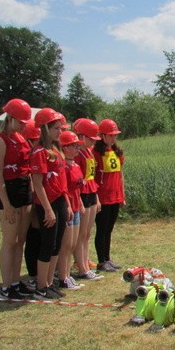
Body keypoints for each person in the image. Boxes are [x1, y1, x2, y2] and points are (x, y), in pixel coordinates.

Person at [0, 98, 34, 299]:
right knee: (9, 240)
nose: (25, 125)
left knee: (20, 241)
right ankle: (6, 286)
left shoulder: (21, 138)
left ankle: (16, 282)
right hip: (10, 191)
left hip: (24, 190)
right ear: (11, 118)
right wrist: (6, 204)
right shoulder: (0, 140)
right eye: (22, 121)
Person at [30, 108, 72, 300]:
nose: (60, 132)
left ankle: (48, 283)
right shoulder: (39, 152)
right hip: (47, 204)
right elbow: (38, 184)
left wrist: (68, 205)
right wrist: (47, 209)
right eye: (56, 128)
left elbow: (62, 182)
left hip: (60, 201)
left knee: (56, 244)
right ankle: (40, 287)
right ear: (45, 128)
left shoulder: (56, 151)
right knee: (47, 244)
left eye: (60, 128)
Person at [73, 118, 104, 281]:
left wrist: (97, 197)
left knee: (87, 233)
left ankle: (84, 262)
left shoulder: (89, 151)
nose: (93, 142)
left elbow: (91, 176)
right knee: (81, 234)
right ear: (82, 137)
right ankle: (82, 268)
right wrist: (78, 199)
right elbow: (76, 180)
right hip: (82, 194)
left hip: (91, 192)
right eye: (91, 139)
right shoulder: (77, 154)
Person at [93, 119, 125, 272]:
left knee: (109, 229)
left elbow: (120, 175)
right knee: (102, 229)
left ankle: (107, 258)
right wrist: (96, 198)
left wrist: (122, 195)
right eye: (110, 135)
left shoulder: (117, 152)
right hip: (102, 198)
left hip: (115, 196)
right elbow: (92, 177)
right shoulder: (96, 154)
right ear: (102, 136)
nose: (113, 138)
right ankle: (101, 261)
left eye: (115, 135)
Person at [56, 130, 86, 290]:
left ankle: (67, 275)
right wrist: (68, 206)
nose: (77, 149)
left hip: (75, 206)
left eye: (77, 146)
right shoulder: (64, 167)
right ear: (65, 148)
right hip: (68, 208)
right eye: (73, 146)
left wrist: (80, 202)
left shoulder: (74, 165)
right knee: (66, 245)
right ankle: (63, 277)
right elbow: (64, 189)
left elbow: (77, 188)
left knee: (73, 244)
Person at [21, 119, 42, 290]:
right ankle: (33, 274)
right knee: (32, 236)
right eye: (36, 140)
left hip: (37, 197)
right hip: (30, 197)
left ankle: (39, 272)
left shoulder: (37, 152)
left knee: (39, 235)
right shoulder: (28, 153)